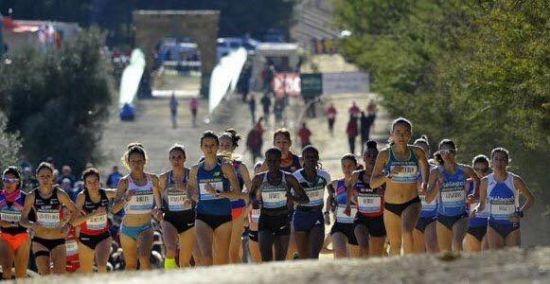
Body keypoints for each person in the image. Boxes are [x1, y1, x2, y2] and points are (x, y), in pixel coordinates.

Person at [370, 118, 429, 256]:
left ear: (410, 135)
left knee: (407, 231)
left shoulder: (417, 152)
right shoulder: (385, 154)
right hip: (391, 206)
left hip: (411, 202)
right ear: (392, 134)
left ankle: (408, 266)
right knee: (395, 245)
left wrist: (425, 182)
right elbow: (373, 183)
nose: (401, 136)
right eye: (398, 132)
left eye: (405, 132)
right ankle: (395, 272)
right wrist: (388, 174)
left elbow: (425, 165)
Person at [187, 131, 242, 265]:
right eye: (206, 145)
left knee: (221, 261)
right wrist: (195, 197)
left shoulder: (225, 167)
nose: (209, 148)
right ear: (201, 148)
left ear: (217, 147)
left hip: (223, 218)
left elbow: (237, 194)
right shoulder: (196, 169)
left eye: (212, 145)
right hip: (203, 216)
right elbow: (190, 189)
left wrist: (216, 193)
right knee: (206, 257)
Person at [249, 148, 309, 261]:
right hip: (265, 220)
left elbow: (305, 199)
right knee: (266, 258)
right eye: (269, 161)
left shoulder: (288, 178)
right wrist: (254, 201)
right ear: (266, 162)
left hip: (283, 220)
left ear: (280, 161)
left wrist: (292, 197)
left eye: (275, 160)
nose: (272, 163)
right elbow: (251, 194)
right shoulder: (259, 178)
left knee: (280, 260)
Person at [20, 162, 77, 275]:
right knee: (45, 274)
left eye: (48, 176)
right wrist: (32, 224)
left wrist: (68, 225)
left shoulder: (60, 194)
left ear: (52, 177)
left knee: (59, 276)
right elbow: (22, 220)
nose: (45, 179)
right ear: (37, 177)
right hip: (39, 240)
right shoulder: (31, 196)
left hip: (58, 239)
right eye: (42, 176)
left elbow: (75, 210)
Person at [113, 143, 162, 270]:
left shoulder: (153, 179)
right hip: (127, 230)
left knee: (144, 259)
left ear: (144, 161)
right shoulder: (124, 182)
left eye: (139, 161)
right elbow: (114, 209)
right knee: (131, 265)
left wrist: (159, 210)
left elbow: (159, 202)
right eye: (133, 161)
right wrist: (125, 198)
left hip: (145, 227)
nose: (136, 164)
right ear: (128, 162)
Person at [474, 148, 534, 249]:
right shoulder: (485, 181)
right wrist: (475, 210)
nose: (499, 162)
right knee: (497, 257)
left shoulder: (515, 180)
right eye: (496, 159)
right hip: (494, 225)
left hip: (512, 226)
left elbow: (531, 199)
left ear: (507, 162)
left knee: (513, 258)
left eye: (502, 159)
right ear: (491, 162)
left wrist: (520, 213)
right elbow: (482, 204)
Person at [425, 139, 480, 252]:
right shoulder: (436, 172)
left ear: (454, 152)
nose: (446, 154)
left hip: (461, 216)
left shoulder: (464, 170)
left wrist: (474, 194)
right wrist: (437, 186)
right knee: (446, 253)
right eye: (443, 151)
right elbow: (428, 198)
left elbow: (477, 180)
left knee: (457, 243)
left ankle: (461, 268)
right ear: (440, 153)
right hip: (442, 218)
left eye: (449, 151)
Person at [71, 168, 116, 273]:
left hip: (103, 235)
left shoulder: (106, 193)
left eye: (95, 181)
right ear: (85, 184)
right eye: (89, 182)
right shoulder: (82, 197)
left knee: (101, 266)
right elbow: (74, 222)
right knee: (86, 273)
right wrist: (93, 214)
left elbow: (122, 191)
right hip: (86, 237)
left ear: (99, 182)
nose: (93, 185)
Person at [158, 144, 195, 268]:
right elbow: (158, 196)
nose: (176, 160)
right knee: (170, 250)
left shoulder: (192, 175)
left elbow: (199, 198)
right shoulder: (164, 178)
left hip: (189, 219)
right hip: (170, 219)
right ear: (169, 159)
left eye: (179, 157)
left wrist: (184, 189)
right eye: (173, 157)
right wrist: (157, 210)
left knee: (184, 262)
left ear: (184, 158)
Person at [218, 130, 252, 264]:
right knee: (219, 250)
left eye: (227, 144)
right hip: (216, 211)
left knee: (233, 250)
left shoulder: (240, 167)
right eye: (221, 144)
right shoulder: (208, 166)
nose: (224, 147)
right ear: (216, 146)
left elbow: (251, 191)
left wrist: (246, 213)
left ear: (233, 147)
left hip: (237, 210)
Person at [348, 141, 386, 257]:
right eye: (368, 155)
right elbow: (349, 187)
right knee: (364, 248)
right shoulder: (356, 175)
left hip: (379, 219)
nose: (371, 158)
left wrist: (384, 193)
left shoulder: (384, 176)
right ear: (363, 158)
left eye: (375, 156)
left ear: (379, 159)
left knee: (377, 255)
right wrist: (349, 203)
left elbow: (392, 197)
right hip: (361, 218)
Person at [293, 146, 331, 259]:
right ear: (303, 159)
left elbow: (331, 193)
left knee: (314, 255)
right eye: (307, 157)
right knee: (304, 257)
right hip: (300, 215)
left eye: (313, 157)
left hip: (316, 215)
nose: (311, 159)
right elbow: (291, 197)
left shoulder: (324, 175)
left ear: (317, 158)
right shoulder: (296, 177)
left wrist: (330, 207)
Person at [327, 154, 360, 258]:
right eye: (344, 166)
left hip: (357, 225)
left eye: (350, 166)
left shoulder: (361, 183)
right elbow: (329, 197)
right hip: (340, 224)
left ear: (356, 166)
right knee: (340, 255)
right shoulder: (336, 184)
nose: (347, 169)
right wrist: (326, 212)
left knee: (354, 258)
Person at [0, 167, 31, 279]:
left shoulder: (25, 197)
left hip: (22, 237)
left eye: (12, 180)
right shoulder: (0, 196)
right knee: (7, 270)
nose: (8, 183)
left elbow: (34, 219)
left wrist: (29, 226)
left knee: (21, 274)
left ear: (17, 182)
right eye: (6, 180)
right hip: (4, 236)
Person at [412, 136, 439, 254]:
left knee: (432, 248)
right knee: (418, 254)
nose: (420, 154)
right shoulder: (408, 170)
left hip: (433, 215)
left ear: (429, 153)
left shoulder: (437, 170)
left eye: (423, 151)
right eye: (417, 151)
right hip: (414, 217)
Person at [464, 154, 491, 252]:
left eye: (483, 170)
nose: (480, 172)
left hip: (488, 226)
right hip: (471, 226)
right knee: (474, 257)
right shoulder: (468, 183)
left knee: (486, 254)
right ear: (473, 169)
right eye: (477, 169)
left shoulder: (492, 183)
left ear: (488, 169)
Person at [247, 162, 264, 263]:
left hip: (270, 230)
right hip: (254, 232)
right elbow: (244, 219)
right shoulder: (249, 192)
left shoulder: (274, 189)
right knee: (257, 264)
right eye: (257, 174)